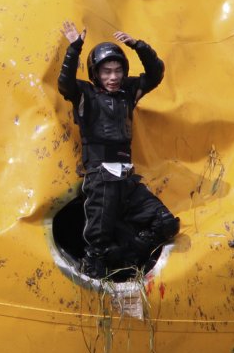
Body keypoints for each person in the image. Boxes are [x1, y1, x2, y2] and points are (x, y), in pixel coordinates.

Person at [57, 22, 180, 280]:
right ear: (95, 73)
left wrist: (138, 46)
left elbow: (156, 73)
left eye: (117, 71)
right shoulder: (84, 94)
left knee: (165, 222)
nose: (113, 77)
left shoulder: (128, 92)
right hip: (101, 179)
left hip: (127, 179)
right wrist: (75, 47)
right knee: (97, 251)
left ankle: (130, 254)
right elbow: (65, 82)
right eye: (106, 72)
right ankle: (96, 299)